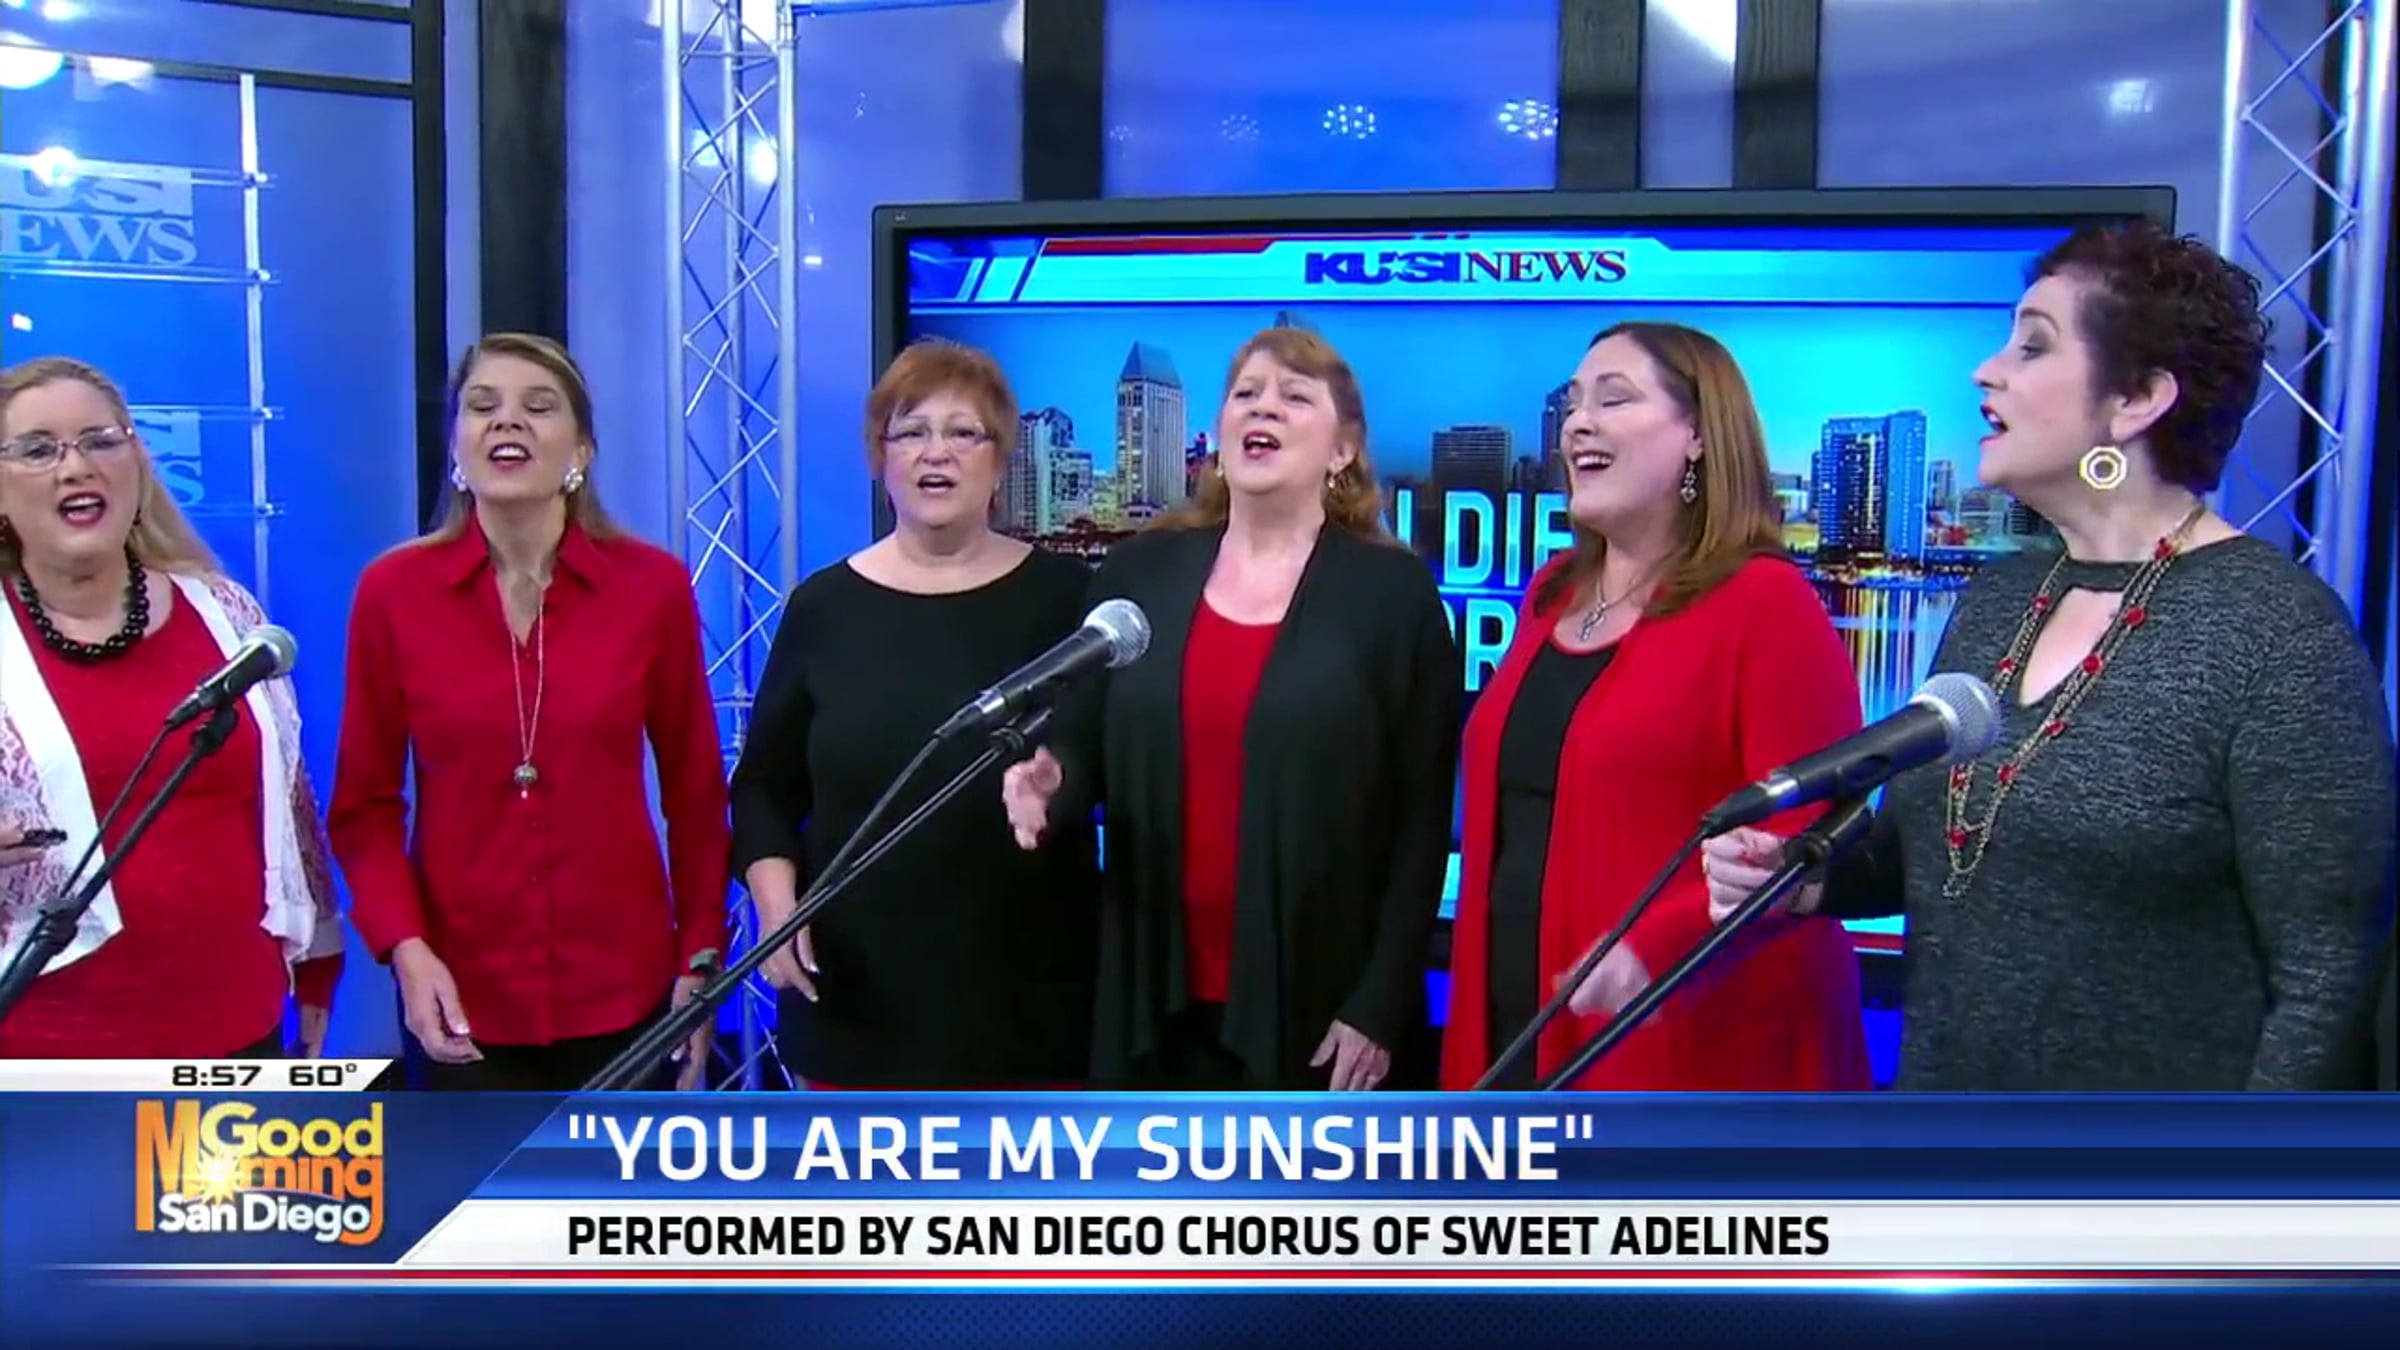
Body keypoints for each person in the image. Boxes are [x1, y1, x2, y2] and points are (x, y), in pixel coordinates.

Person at [1702, 222, 2397, 1091]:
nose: (1985, 372)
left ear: (2137, 398)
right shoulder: (2000, 600)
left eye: (2033, 346)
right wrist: (1809, 879)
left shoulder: (2276, 632)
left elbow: (2328, 980)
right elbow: (1934, 853)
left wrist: (2236, 1171)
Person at [1003, 327, 1460, 1092]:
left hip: (1320, 1007)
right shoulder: (1141, 571)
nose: (1263, 407)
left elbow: (1421, 819)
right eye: (1246, 393)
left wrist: (1380, 1002)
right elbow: (1084, 737)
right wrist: (1054, 780)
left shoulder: (1392, 596)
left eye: (1294, 397)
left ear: (1343, 450)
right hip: (1152, 999)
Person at [1438, 323, 1871, 1092]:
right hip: (1513, 1019)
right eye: (1573, 404)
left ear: (1698, 435)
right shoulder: (1552, 592)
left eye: (1614, 400)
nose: (1579, 423)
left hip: (1679, 1042)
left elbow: (1808, 838)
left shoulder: (1766, 604)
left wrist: (1651, 949)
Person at [329, 333, 728, 1091]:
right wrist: (405, 950)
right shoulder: (392, 594)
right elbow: (364, 808)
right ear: (457, 446)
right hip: (459, 1000)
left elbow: (697, 796)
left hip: (626, 995)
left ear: (581, 451)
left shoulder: (651, 588)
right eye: (482, 406)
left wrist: (701, 954)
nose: (506, 421)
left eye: (538, 407)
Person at [730, 339, 1098, 1090]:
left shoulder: (1068, 598)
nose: (938, 452)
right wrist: (775, 909)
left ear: (1000, 461)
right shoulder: (823, 607)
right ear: (881, 456)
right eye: (912, 432)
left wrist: (1058, 779)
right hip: (855, 1000)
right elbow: (763, 787)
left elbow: (1108, 758)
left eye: (964, 432)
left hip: (1030, 1003)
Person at [0, 356, 343, 1058]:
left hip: (236, 1037)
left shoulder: (224, 610)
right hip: (48, 1051)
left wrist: (319, 953)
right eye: (38, 450)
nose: (76, 467)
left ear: (137, 462)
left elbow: (288, 799)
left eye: (101, 440)